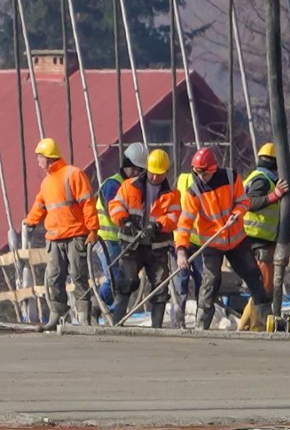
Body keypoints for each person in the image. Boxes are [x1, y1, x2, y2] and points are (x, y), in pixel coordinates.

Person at [175, 147, 270, 330]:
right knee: (210, 282)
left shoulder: (230, 177)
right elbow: (184, 223)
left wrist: (237, 213)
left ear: (213, 169)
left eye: (204, 172)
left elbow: (244, 201)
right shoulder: (193, 192)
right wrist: (181, 250)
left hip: (237, 241)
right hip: (212, 244)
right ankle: (201, 325)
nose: (201, 176)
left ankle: (265, 319)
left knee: (252, 275)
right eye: (198, 172)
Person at [24, 138, 99, 331]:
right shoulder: (47, 183)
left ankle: (83, 317)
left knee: (78, 275)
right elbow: (40, 205)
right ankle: (57, 316)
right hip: (55, 238)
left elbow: (87, 203)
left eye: (39, 157)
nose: (38, 161)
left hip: (76, 235)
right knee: (54, 277)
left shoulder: (73, 174)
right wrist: (30, 221)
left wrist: (93, 230)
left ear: (47, 158)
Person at [108, 149, 181, 328]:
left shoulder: (172, 195)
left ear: (166, 172)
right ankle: (117, 323)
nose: (155, 177)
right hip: (132, 245)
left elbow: (174, 217)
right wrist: (125, 221)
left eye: (159, 174)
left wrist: (157, 225)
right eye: (152, 173)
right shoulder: (129, 186)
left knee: (159, 286)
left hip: (157, 247)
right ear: (147, 169)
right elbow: (115, 206)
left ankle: (156, 327)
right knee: (127, 281)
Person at [93, 143, 149, 322]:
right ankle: (95, 306)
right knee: (115, 278)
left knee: (126, 279)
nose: (141, 175)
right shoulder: (113, 185)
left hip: (122, 240)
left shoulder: (132, 186)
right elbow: (115, 210)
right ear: (131, 167)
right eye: (140, 171)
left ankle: (110, 312)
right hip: (107, 239)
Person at [238, 142, 289, 331]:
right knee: (264, 288)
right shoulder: (263, 180)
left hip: (256, 238)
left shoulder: (257, 176)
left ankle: (246, 325)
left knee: (258, 288)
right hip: (257, 239)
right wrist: (273, 196)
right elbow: (249, 202)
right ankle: (256, 327)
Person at [172, 171, 204, 328]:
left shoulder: (183, 180)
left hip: (199, 243)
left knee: (202, 284)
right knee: (181, 283)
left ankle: (200, 322)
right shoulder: (189, 182)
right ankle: (179, 323)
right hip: (183, 241)